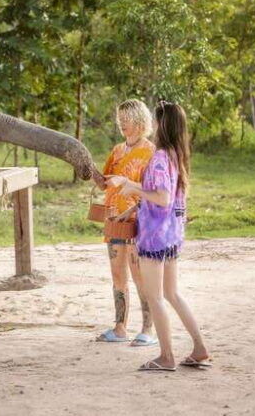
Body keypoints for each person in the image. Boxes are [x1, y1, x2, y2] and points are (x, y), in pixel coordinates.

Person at [107, 101, 211, 371]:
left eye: (156, 120)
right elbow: (161, 196)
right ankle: (199, 348)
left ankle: (166, 357)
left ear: (162, 124)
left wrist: (131, 187)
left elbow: (162, 198)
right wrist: (132, 208)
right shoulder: (176, 154)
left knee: (155, 297)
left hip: (155, 238)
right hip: (171, 235)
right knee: (172, 294)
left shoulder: (161, 157)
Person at [94, 99, 157, 346]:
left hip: (139, 220)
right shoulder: (117, 150)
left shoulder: (151, 152)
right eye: (119, 118)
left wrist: (125, 182)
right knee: (118, 274)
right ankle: (120, 328)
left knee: (140, 276)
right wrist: (88, 169)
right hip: (114, 219)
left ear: (140, 121)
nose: (121, 123)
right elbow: (104, 181)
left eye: (126, 118)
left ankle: (148, 329)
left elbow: (154, 191)